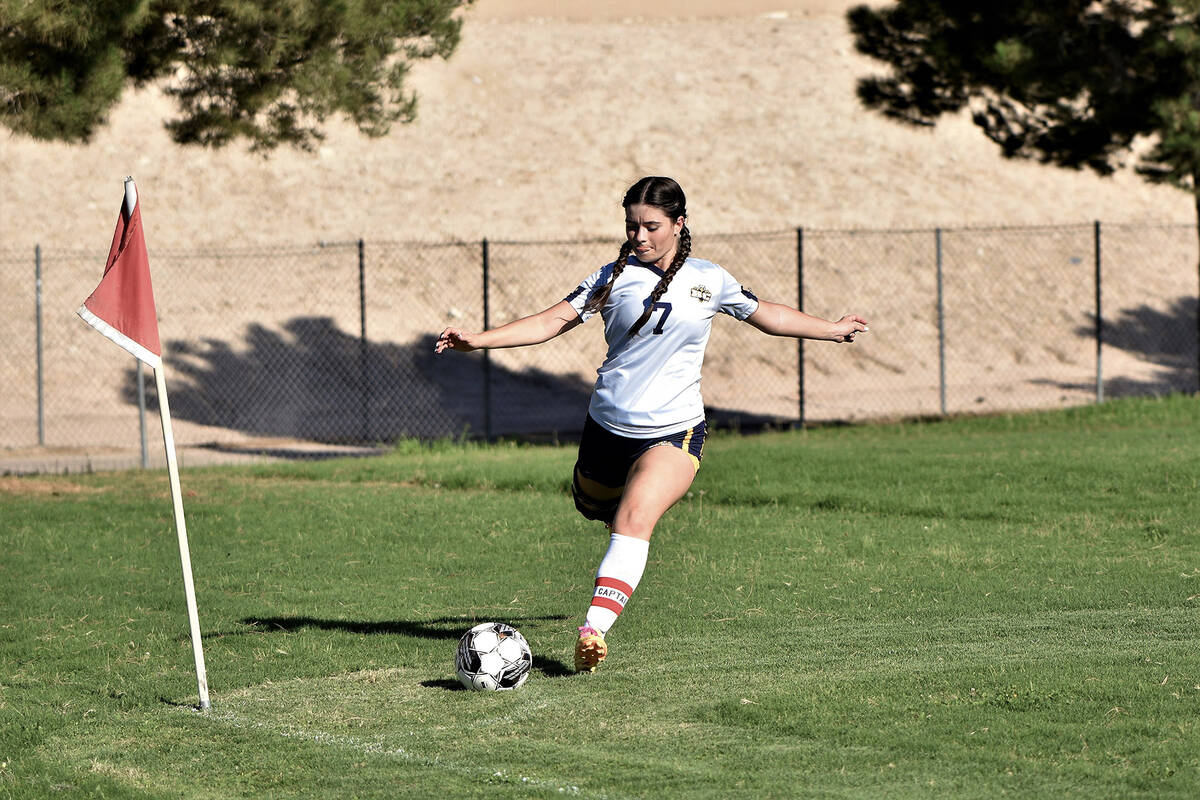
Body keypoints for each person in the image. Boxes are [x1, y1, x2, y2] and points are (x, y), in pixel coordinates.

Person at [435, 176, 868, 673]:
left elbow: (765, 313)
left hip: (675, 429)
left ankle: (593, 631)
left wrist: (830, 329)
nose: (639, 237)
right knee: (591, 505)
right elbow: (550, 321)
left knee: (633, 519)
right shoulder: (611, 276)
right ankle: (612, 535)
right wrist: (477, 341)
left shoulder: (710, 280)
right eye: (632, 226)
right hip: (607, 428)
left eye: (651, 227)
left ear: (679, 225)